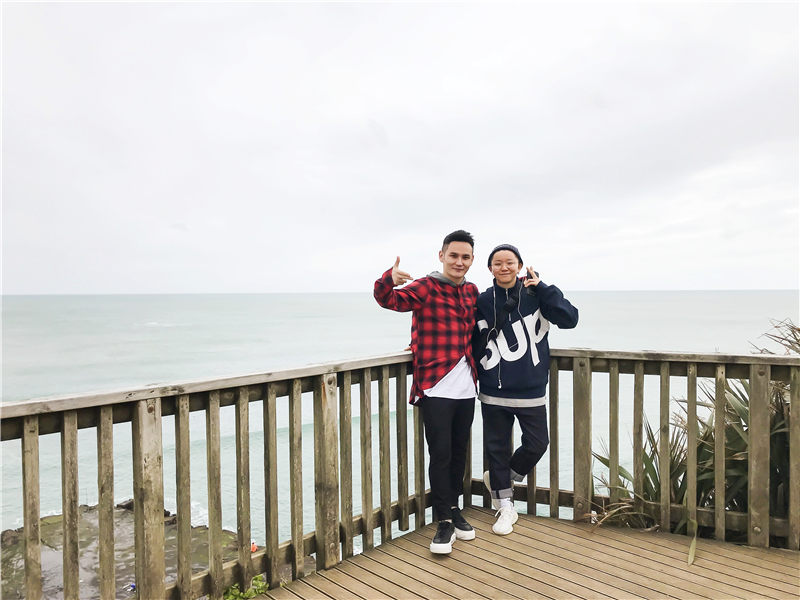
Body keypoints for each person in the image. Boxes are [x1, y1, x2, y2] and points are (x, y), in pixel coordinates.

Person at [373, 230, 479, 554]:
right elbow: (388, 300)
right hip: (435, 385)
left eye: (465, 257)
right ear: (442, 256)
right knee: (441, 454)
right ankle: (443, 521)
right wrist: (388, 280)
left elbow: (478, 329)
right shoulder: (426, 286)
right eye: (453, 255)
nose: (459, 262)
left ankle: (455, 509)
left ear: (471, 260)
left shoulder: (472, 291)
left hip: (467, 386)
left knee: (459, 453)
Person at [473, 244, 578, 535]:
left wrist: (543, 287)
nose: (504, 267)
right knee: (496, 449)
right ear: (490, 268)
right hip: (493, 389)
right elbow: (465, 333)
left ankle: (502, 478)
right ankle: (505, 507)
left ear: (520, 266)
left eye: (510, 262)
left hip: (531, 389)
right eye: (497, 263)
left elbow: (570, 319)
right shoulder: (483, 300)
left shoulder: (537, 295)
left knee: (537, 443)